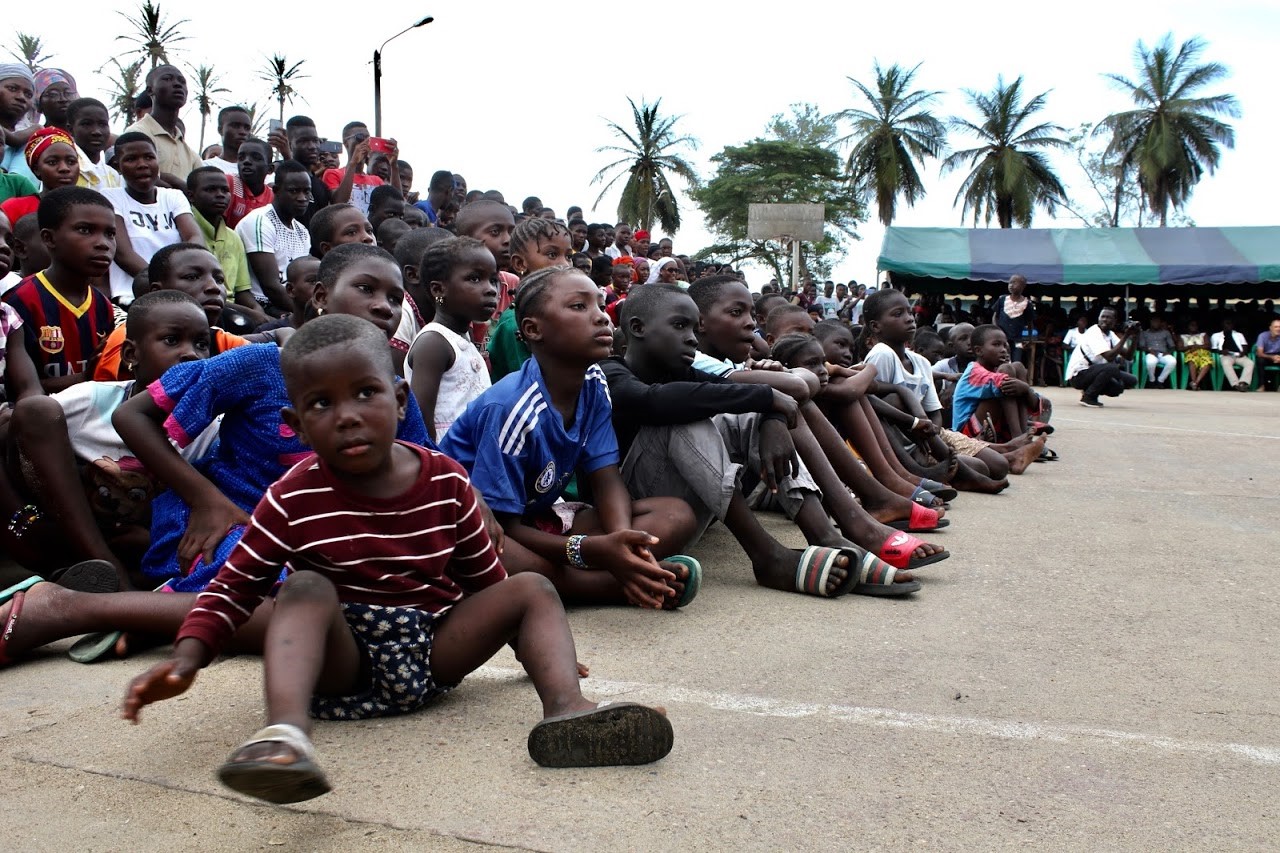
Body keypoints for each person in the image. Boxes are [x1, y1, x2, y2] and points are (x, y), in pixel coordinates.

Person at [85, 312, 671, 805]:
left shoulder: (446, 482)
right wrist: (187, 659)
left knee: (531, 589)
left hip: (432, 655)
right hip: (342, 666)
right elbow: (234, 588)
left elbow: (484, 579)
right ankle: (284, 736)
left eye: (365, 393)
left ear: (398, 399)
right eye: (321, 403)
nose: (347, 415)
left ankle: (567, 710)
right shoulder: (290, 497)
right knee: (303, 588)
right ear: (296, 426)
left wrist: (536, 647)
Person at [112, 243, 431, 593]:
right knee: (273, 584)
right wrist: (205, 500)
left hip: (327, 534)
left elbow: (425, 469)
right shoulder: (260, 364)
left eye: (395, 299)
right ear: (321, 296)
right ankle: (94, 608)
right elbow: (132, 415)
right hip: (236, 518)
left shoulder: (392, 393)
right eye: (366, 288)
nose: (384, 306)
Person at [604, 284, 918, 598]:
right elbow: (652, 400)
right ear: (638, 328)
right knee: (685, 417)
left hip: (690, 508)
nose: (692, 338)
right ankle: (767, 555)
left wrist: (772, 417)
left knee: (746, 413)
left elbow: (737, 396)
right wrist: (767, 398)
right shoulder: (609, 372)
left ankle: (825, 535)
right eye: (679, 326)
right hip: (643, 515)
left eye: (693, 328)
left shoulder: (683, 374)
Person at [439, 266, 701, 610]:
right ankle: (606, 586)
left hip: (541, 519)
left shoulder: (594, 383)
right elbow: (504, 526)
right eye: (579, 306)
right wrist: (590, 550)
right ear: (534, 329)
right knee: (492, 550)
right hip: (486, 526)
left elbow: (607, 478)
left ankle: (620, 574)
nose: (602, 317)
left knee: (676, 515)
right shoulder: (512, 408)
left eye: (600, 305)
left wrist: (621, 544)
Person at [691, 276, 950, 568]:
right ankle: (856, 516)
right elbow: (801, 386)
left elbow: (800, 385)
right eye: (737, 313)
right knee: (789, 402)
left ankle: (875, 499)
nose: (751, 323)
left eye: (751, 313)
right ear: (699, 321)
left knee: (785, 402)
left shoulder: (733, 364)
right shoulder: (697, 362)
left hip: (748, 481)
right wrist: (779, 391)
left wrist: (775, 388)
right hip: (741, 488)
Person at [4, 290, 212, 586]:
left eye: (202, 344)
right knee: (36, 409)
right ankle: (108, 572)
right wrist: (22, 518)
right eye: (171, 340)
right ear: (131, 355)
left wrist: (155, 538)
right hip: (63, 531)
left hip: (141, 543)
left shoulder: (209, 428)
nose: (191, 354)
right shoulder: (92, 402)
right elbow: (23, 425)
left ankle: (108, 580)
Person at [858, 289, 1012, 491]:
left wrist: (932, 433)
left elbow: (934, 411)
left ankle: (951, 471)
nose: (909, 318)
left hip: (927, 435)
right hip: (898, 440)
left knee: (998, 466)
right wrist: (918, 427)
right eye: (898, 314)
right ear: (875, 326)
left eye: (909, 312)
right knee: (895, 399)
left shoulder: (921, 362)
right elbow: (873, 408)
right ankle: (946, 473)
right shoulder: (882, 354)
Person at [2, 187, 116, 392]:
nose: (103, 244)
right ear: (48, 238)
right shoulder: (19, 302)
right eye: (85, 230)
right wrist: (85, 378)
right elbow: (18, 390)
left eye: (110, 233)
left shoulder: (103, 305)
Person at [405, 237, 497, 440]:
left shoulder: (462, 338)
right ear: (439, 290)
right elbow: (421, 418)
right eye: (475, 279)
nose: (491, 289)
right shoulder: (434, 342)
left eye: (493, 280)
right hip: (447, 452)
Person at [101, 132, 203, 301]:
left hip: (182, 293)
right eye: (131, 159)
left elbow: (194, 239)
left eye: (149, 157)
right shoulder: (111, 198)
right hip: (132, 295)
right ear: (117, 166)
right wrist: (166, 284)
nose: (142, 164)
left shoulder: (173, 196)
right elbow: (123, 253)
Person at [185, 167, 262, 323]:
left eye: (225, 190)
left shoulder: (233, 237)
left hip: (233, 310)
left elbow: (242, 292)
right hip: (199, 309)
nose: (220, 195)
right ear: (191, 196)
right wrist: (252, 314)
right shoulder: (183, 232)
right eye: (210, 189)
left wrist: (258, 311)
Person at [236, 160, 313, 313]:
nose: (302, 198)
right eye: (294, 191)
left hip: (289, 304)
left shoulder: (302, 231)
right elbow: (270, 286)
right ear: (276, 190)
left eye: (306, 191)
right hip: (262, 304)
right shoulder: (260, 221)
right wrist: (305, 316)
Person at [122, 65, 202, 189]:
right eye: (167, 79)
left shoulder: (189, 153)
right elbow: (144, 178)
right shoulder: (137, 133)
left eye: (182, 81)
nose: (177, 84)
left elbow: (200, 187)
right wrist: (183, 190)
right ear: (150, 90)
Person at [0, 127, 81, 226]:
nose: (64, 168)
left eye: (71, 162)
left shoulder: (91, 207)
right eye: (52, 162)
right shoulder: (14, 209)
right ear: (36, 169)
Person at [1065, 307, 1139, 407]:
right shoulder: (1094, 332)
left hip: (1095, 371)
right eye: (1102, 317)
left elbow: (1129, 356)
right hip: (1078, 375)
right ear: (1098, 318)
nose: (1104, 319)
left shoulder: (1110, 335)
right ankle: (1088, 397)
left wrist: (1135, 337)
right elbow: (1109, 357)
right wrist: (1125, 336)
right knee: (1111, 367)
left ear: (1114, 321)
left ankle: (1088, 389)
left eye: (1108, 317)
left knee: (1131, 381)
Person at [66, 98, 121, 191]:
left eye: (103, 124)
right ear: (70, 129)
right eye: (87, 124)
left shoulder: (113, 175)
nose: (97, 131)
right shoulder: (65, 171)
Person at [223, 137, 274, 229]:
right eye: (241, 158)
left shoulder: (273, 197)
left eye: (256, 158)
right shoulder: (228, 183)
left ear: (270, 169)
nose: (246, 161)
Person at [0, 64, 38, 184]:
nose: (21, 97)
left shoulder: (35, 134)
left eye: (28, 95)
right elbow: (15, 140)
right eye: (12, 89)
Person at [992, 274, 1036, 365]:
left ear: (1023, 286)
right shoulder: (1002, 299)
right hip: (1002, 339)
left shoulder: (1027, 303)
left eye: (1014, 283)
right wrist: (998, 331)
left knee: (1016, 361)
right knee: (1002, 361)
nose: (1011, 285)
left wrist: (1029, 338)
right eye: (1010, 283)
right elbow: (995, 317)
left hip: (1018, 340)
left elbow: (1030, 323)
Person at [202, 106, 252, 176]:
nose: (243, 132)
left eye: (247, 128)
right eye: (235, 126)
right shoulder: (205, 167)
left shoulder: (257, 169)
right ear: (220, 130)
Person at [1211, 318, 1253, 391]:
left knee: (1250, 363)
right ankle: (1236, 384)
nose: (1229, 325)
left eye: (1230, 323)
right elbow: (1213, 349)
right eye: (1227, 323)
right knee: (1226, 363)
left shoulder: (1239, 335)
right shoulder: (1216, 335)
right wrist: (1221, 351)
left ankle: (1243, 383)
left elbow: (1245, 346)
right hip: (1226, 356)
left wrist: (1243, 352)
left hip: (1239, 355)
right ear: (1223, 325)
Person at [1139, 314, 1178, 388]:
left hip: (1163, 354)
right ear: (1150, 322)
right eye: (1154, 321)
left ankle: (1160, 381)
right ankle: (1152, 380)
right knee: (1151, 362)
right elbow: (1141, 346)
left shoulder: (1166, 332)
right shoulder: (1144, 333)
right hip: (1151, 353)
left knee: (1172, 361)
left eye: (1158, 321)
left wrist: (1168, 352)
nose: (1156, 323)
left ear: (1160, 323)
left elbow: (1172, 346)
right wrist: (1149, 350)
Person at [1179, 319, 1213, 391]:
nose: (1194, 327)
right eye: (1192, 325)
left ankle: (1195, 383)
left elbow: (1208, 345)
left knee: (1208, 362)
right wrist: (1190, 347)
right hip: (1191, 353)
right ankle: (1194, 382)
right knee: (1192, 360)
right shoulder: (1183, 336)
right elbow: (1179, 348)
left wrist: (1198, 346)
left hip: (1203, 353)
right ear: (1187, 327)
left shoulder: (1203, 335)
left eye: (1195, 325)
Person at [1254, 318, 1280, 391]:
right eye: (1276, 327)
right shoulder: (1263, 336)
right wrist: (1272, 357)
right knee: (1260, 361)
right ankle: (1261, 386)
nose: (1278, 329)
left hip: (1278, 356)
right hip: (1265, 356)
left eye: (1279, 327)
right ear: (1270, 328)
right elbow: (1259, 353)